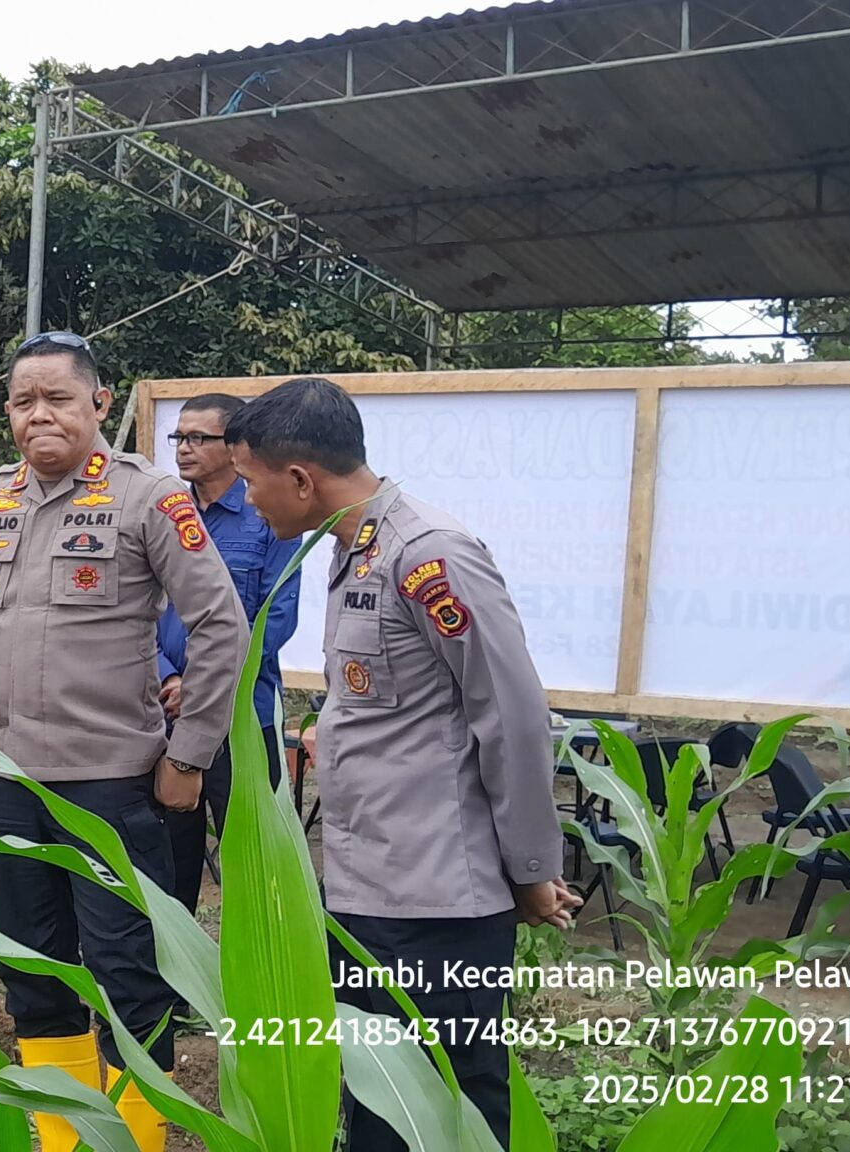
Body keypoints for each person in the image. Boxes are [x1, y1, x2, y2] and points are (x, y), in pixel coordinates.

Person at [225, 377, 576, 1149]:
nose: (248, 501)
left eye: (250, 482)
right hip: (372, 887)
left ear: (300, 479)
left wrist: (529, 869)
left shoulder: (428, 555)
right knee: (379, 1100)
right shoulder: (355, 548)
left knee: (446, 1102)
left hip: (435, 902)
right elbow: (400, 697)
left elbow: (512, 716)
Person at [0, 333, 247, 1152]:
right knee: (31, 971)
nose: (40, 415)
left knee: (128, 974)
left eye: (58, 398)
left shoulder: (147, 500)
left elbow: (220, 625)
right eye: (23, 401)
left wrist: (189, 756)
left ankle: (132, 1140)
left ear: (99, 405)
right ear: (7, 413)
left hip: (114, 787)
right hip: (14, 789)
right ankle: (63, 1138)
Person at [152, 393, 304, 916]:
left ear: (234, 445)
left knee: (255, 859)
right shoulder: (163, 513)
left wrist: (205, 684)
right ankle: (171, 982)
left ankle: (261, 983)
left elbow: (276, 617)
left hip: (243, 719)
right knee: (168, 859)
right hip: (165, 713)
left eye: (199, 438)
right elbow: (136, 611)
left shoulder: (267, 514)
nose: (184, 449)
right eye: (179, 437)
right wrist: (169, 677)